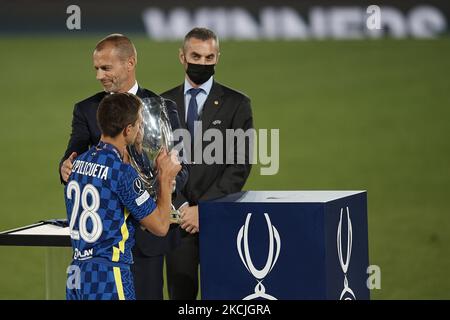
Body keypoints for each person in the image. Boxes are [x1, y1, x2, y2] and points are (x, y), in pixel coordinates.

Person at [60, 34, 188, 300]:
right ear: (130, 129)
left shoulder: (163, 107)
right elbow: (70, 158)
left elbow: (182, 168)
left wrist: (169, 180)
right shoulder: (87, 109)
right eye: (96, 68)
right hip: (109, 247)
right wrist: (64, 167)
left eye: (106, 68)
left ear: (130, 63)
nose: (99, 75)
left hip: (140, 246)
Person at [161, 27, 253, 299]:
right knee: (181, 297)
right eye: (196, 56)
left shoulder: (237, 104)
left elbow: (240, 164)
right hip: (179, 223)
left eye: (209, 57)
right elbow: (156, 164)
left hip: (221, 217)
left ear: (217, 57)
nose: (202, 63)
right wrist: (181, 207)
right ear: (182, 56)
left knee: (225, 297)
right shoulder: (163, 104)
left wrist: (204, 210)